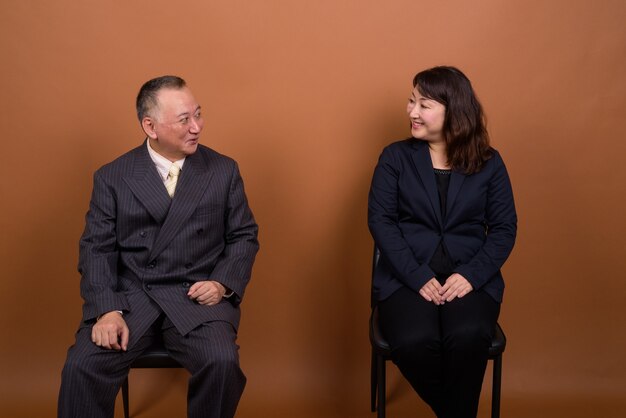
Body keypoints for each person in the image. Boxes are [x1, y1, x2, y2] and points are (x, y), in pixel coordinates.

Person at [58, 75, 259, 418]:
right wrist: (106, 310)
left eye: (198, 114)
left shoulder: (223, 170)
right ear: (150, 126)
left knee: (222, 362)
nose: (196, 127)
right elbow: (96, 249)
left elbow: (243, 235)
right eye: (184, 120)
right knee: (82, 366)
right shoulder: (113, 176)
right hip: (132, 299)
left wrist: (221, 284)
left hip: (196, 296)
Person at [368, 66, 516, 418]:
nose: (412, 112)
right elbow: (381, 221)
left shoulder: (490, 163)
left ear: (454, 111)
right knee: (414, 341)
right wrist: (417, 276)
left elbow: (504, 229)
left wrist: (472, 276)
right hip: (407, 276)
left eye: (424, 104)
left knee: (468, 336)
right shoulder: (395, 158)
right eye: (411, 101)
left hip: (469, 276)